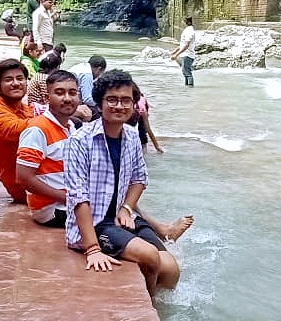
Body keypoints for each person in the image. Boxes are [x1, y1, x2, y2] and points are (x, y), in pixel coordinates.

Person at [64, 69, 193, 297]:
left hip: (122, 217)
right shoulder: (79, 140)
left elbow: (139, 178)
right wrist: (93, 249)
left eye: (126, 100)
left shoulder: (132, 136)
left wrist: (126, 208)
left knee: (171, 268)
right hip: (96, 223)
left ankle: (158, 307)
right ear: (100, 103)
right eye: (112, 100)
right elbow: (78, 197)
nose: (119, 106)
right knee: (150, 256)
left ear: (134, 104)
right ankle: (150, 303)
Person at [16, 70, 80, 227]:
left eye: (72, 93)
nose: (67, 98)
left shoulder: (71, 127)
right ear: (47, 98)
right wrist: (66, 198)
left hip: (69, 203)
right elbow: (24, 178)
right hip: (51, 208)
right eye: (59, 93)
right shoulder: (37, 129)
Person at [0, 59, 33, 203]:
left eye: (20, 78)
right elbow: (30, 127)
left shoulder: (23, 108)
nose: (16, 83)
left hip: (38, 177)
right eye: (8, 80)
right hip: (24, 188)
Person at [133, 84, 164, 154]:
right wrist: (157, 146)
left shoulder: (139, 106)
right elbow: (148, 129)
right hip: (141, 133)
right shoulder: (142, 102)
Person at [171, 16, 196, 86]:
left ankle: (190, 89)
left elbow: (187, 45)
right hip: (185, 54)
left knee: (187, 73)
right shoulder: (187, 30)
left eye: (184, 21)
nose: (182, 23)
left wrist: (176, 55)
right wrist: (176, 50)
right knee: (185, 73)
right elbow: (183, 44)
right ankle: (187, 90)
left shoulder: (190, 31)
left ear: (188, 22)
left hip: (188, 55)